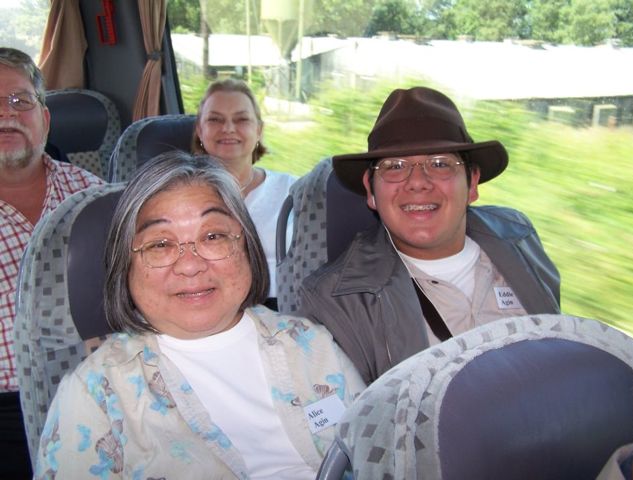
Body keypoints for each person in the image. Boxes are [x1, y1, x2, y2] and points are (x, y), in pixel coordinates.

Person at [34, 152, 364, 479]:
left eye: (213, 236)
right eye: (160, 244)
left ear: (246, 246)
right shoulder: (96, 393)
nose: (191, 265)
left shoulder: (311, 343)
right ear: (126, 265)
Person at [298, 86, 561, 384]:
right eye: (395, 166)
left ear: (472, 183)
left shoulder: (520, 239)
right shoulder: (336, 301)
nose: (418, 182)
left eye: (439, 164)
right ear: (371, 190)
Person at [0, 47, 104, 478]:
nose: (6, 114)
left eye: (20, 101)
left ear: (44, 119)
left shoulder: (95, 195)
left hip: (100, 389)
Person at [192, 78, 297, 307]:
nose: (228, 128)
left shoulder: (294, 190)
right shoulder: (180, 195)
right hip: (207, 305)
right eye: (215, 119)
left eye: (241, 119)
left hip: (281, 309)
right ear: (200, 130)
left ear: (258, 130)